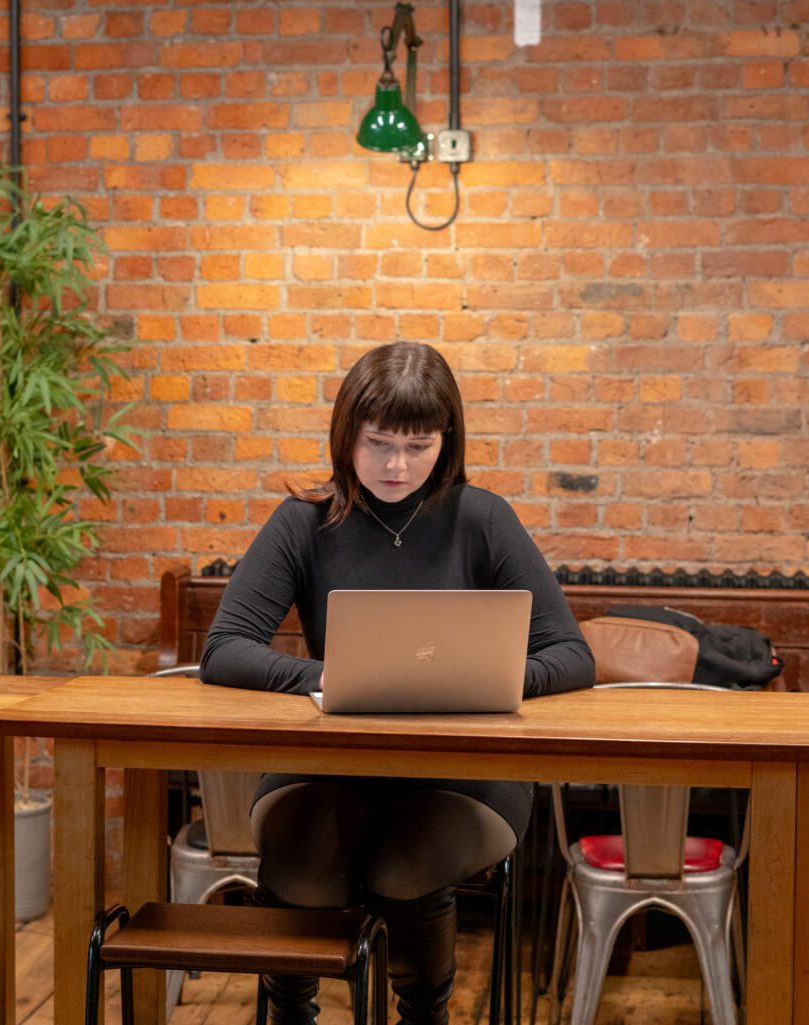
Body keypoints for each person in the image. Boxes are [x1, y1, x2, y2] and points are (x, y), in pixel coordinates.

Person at [200, 341, 595, 1025]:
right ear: (346, 434)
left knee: (401, 866)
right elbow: (224, 649)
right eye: (378, 443)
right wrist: (326, 676)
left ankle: (424, 1014)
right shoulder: (306, 521)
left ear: (448, 441)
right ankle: (290, 1011)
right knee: (303, 857)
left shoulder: (482, 519)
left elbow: (571, 655)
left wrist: (485, 680)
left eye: (418, 446)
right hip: (331, 766)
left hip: (465, 774)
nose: (396, 465)